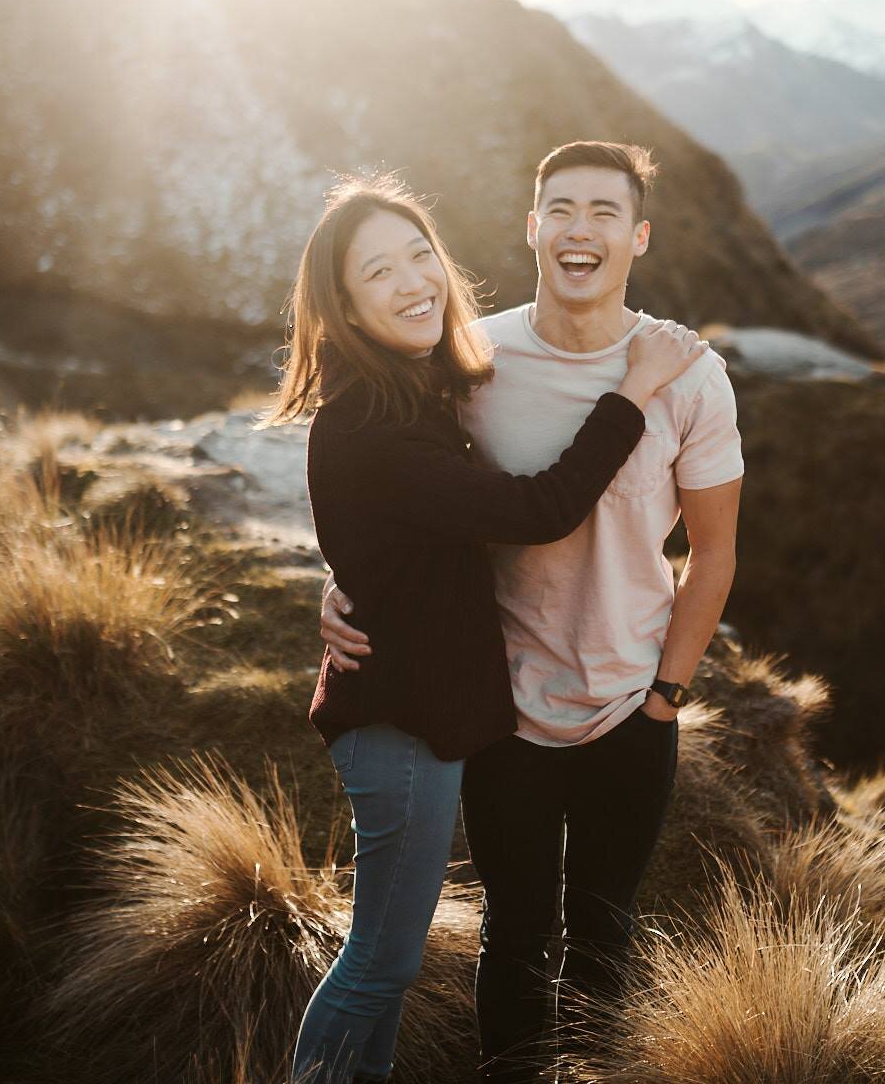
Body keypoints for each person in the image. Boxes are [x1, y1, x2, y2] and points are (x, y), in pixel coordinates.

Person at [266, 174, 706, 1084]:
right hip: (399, 724)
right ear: (343, 306)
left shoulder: (412, 392)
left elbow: (393, 531)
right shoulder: (374, 423)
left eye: (419, 254)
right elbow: (538, 510)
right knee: (379, 962)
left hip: (423, 712)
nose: (413, 281)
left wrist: (345, 582)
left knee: (389, 964)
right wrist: (633, 390)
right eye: (377, 272)